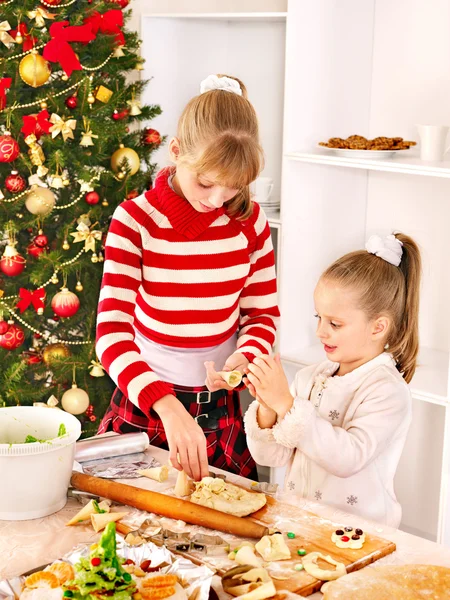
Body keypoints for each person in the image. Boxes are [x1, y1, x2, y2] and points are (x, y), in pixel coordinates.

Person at [96, 74, 279, 482]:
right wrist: (166, 405)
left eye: (232, 189)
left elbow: (262, 316)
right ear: (176, 151)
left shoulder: (250, 224)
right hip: (149, 404)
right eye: (207, 182)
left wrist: (243, 357)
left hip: (221, 410)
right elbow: (111, 336)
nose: (216, 201)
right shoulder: (135, 222)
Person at [244, 233, 421, 527]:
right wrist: (267, 407)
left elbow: (347, 459)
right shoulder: (308, 378)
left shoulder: (387, 391)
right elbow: (270, 456)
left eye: (334, 324)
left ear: (378, 327)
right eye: (319, 318)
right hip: (300, 524)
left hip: (359, 535)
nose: (320, 332)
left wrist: (286, 405)